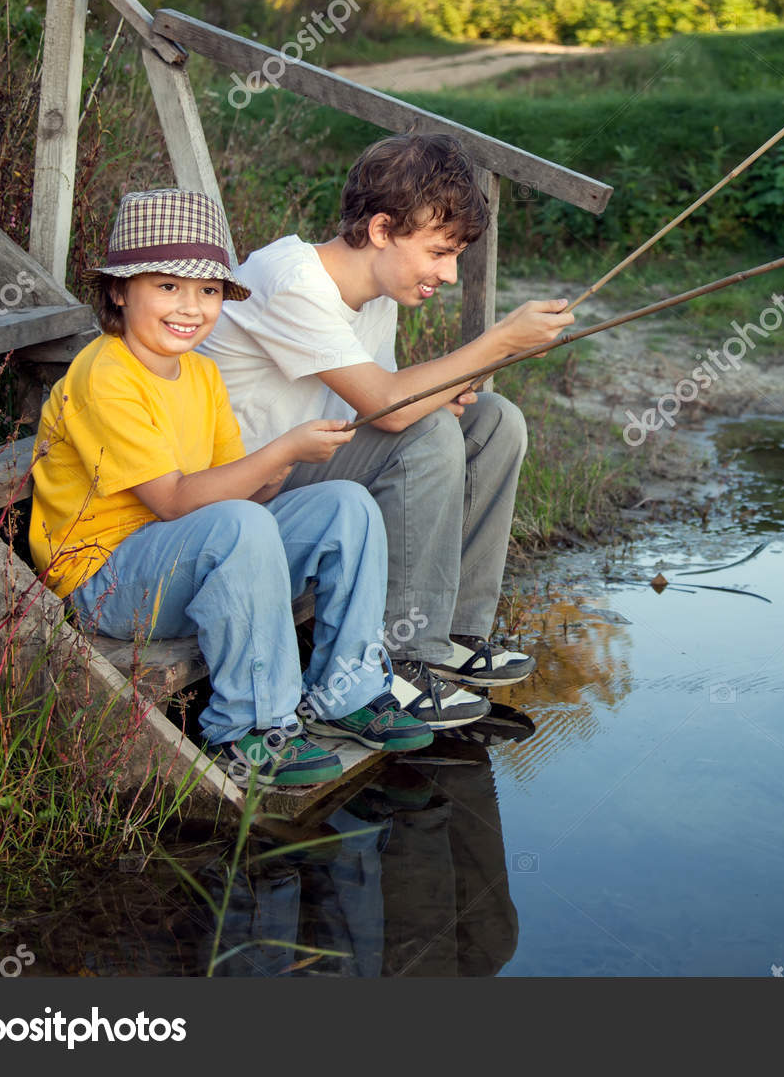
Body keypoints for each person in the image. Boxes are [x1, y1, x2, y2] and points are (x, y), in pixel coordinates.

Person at [28, 188, 432, 787]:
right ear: (119, 290)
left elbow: (240, 497)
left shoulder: (201, 371)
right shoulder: (105, 373)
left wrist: (278, 471)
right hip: (106, 578)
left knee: (346, 505)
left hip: (182, 554)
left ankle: (347, 692)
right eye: (167, 287)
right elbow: (172, 501)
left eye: (209, 291)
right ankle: (248, 729)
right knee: (237, 526)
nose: (190, 307)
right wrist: (283, 449)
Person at [197, 134, 572, 727]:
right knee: (426, 433)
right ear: (380, 230)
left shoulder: (378, 293)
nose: (449, 275)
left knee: (495, 421)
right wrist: (500, 343)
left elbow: (388, 404)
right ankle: (397, 660)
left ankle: (452, 634)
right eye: (439, 252)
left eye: (456, 255)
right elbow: (392, 410)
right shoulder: (290, 277)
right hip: (243, 492)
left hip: (312, 461)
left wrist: (436, 404)